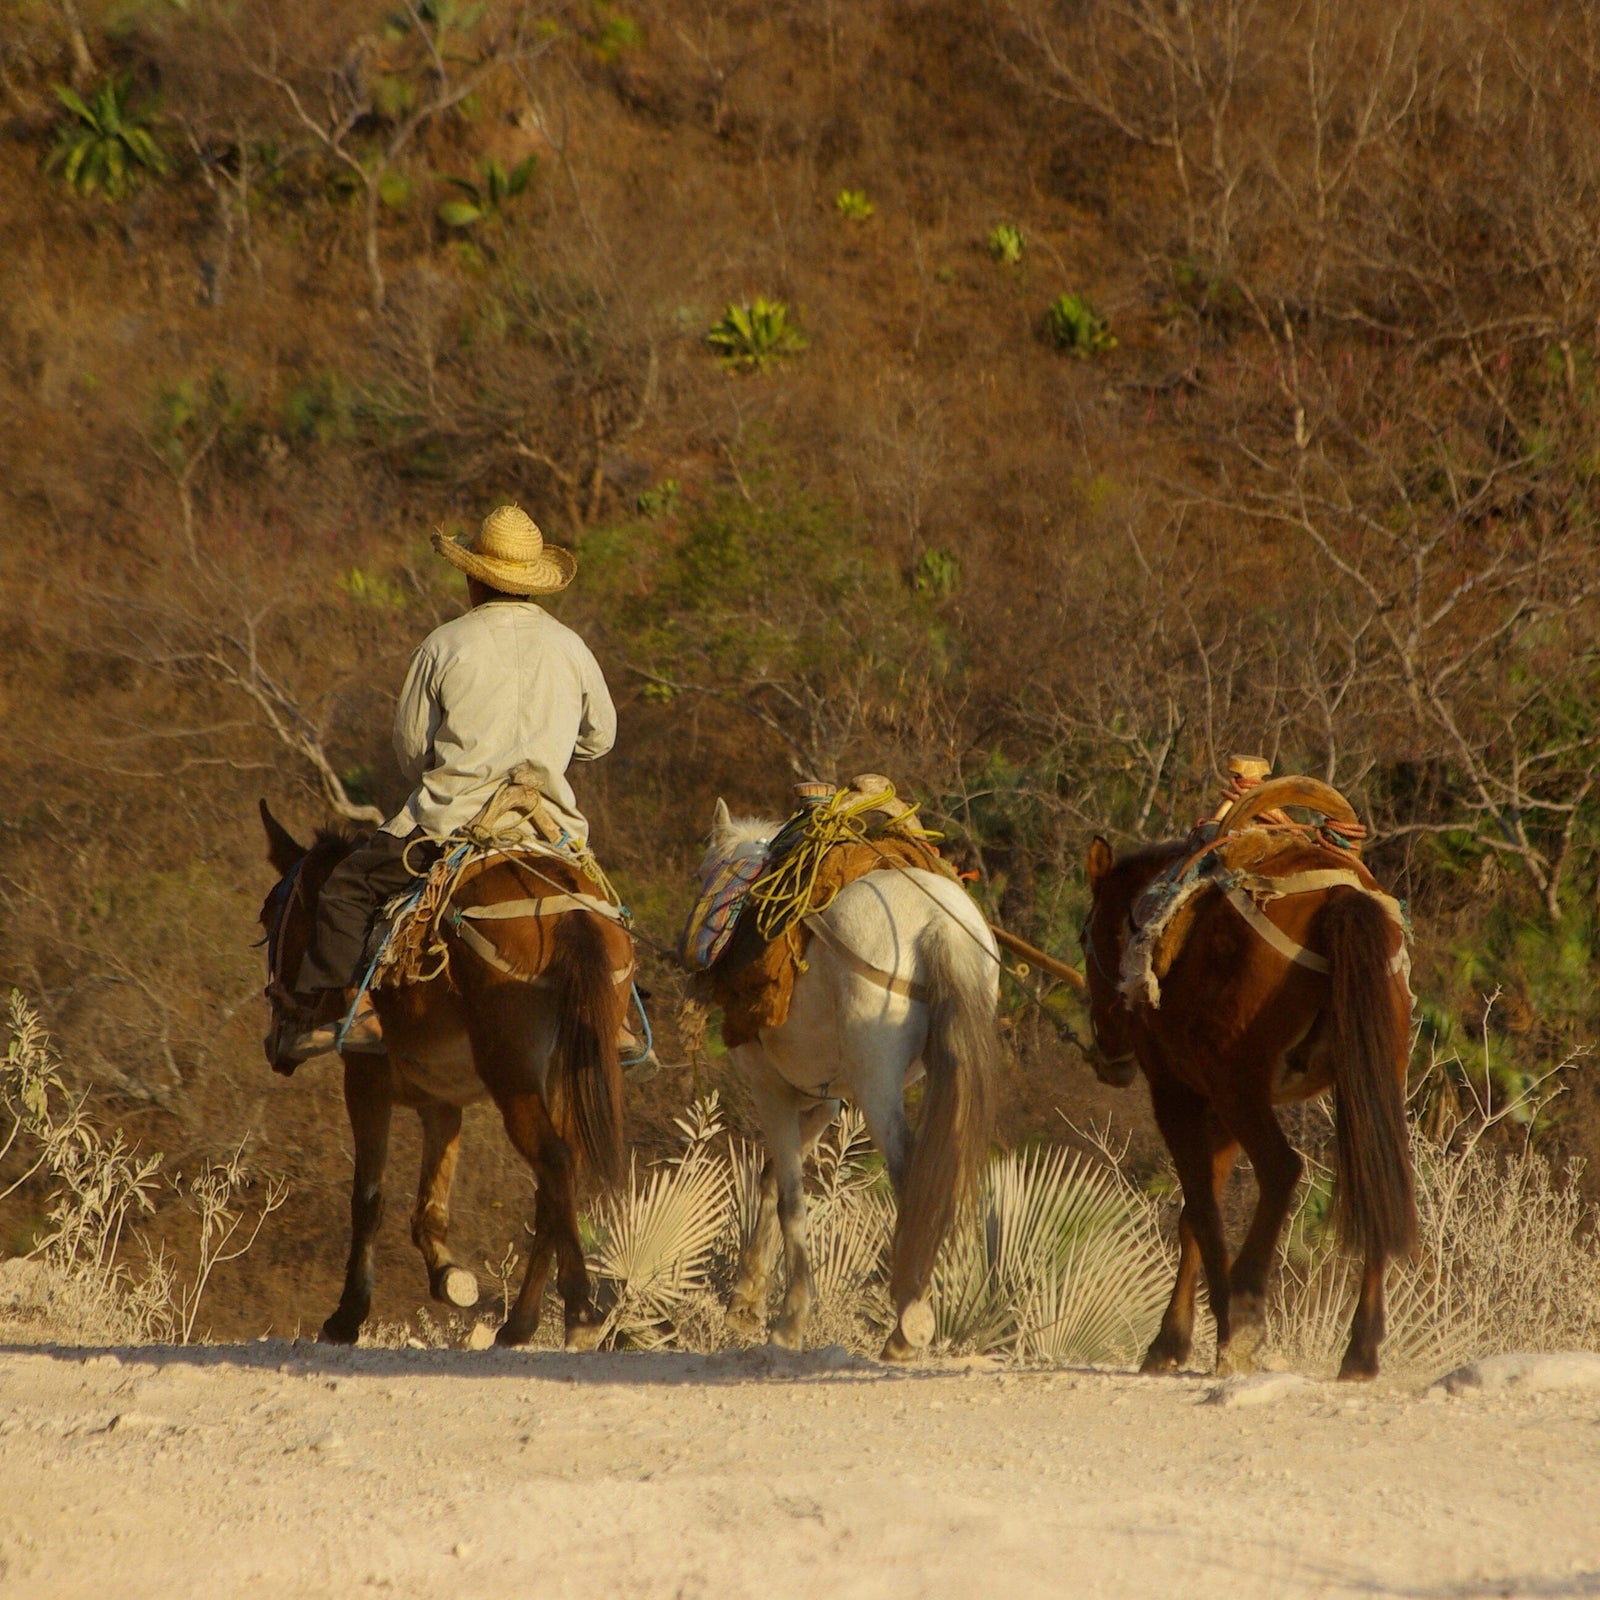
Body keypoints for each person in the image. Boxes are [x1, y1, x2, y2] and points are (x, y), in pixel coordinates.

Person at [283, 503, 616, 1061]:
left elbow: (412, 748)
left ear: (472, 576)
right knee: (600, 906)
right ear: (533, 583)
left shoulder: (444, 644)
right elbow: (600, 737)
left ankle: (357, 1012)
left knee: (346, 888)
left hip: (450, 824)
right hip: (547, 824)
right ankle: (623, 1017)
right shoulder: (572, 646)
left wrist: (457, 767)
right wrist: (552, 754)